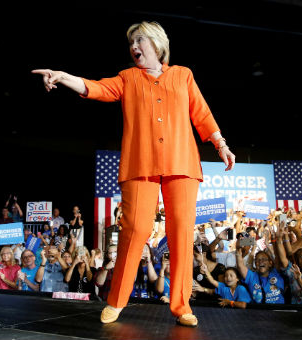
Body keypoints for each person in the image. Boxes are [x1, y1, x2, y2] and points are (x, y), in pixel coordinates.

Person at [32, 20, 235, 327]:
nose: (134, 47)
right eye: (131, 43)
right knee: (135, 230)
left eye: (139, 40)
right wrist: (63, 77)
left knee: (180, 233)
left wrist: (221, 144)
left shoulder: (183, 75)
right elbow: (96, 88)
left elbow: (202, 113)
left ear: (156, 43)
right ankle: (116, 300)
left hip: (182, 164)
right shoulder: (128, 78)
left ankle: (181, 306)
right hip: (140, 165)